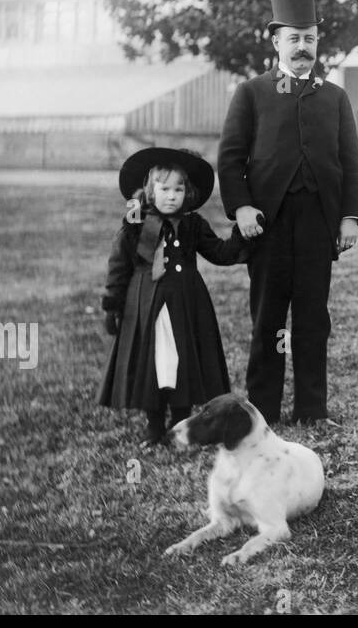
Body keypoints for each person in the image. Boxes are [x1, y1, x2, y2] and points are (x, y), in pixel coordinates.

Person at [217, 0, 358, 427]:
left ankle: (312, 410)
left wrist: (349, 216)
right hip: (267, 225)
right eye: (294, 38)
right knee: (268, 319)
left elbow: (349, 163)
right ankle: (261, 411)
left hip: (318, 225)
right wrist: (241, 208)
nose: (303, 47)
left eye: (310, 38)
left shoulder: (334, 97)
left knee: (313, 318)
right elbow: (230, 159)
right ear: (277, 41)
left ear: (318, 42)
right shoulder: (252, 93)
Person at [99, 148, 247, 446]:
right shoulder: (135, 225)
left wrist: (242, 234)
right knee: (152, 362)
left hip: (186, 304)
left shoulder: (193, 225)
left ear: (188, 193)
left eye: (178, 189)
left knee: (182, 360)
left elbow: (220, 252)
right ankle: (154, 427)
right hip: (145, 305)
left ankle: (180, 423)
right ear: (150, 191)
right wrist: (112, 306)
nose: (171, 196)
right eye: (164, 188)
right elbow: (119, 268)